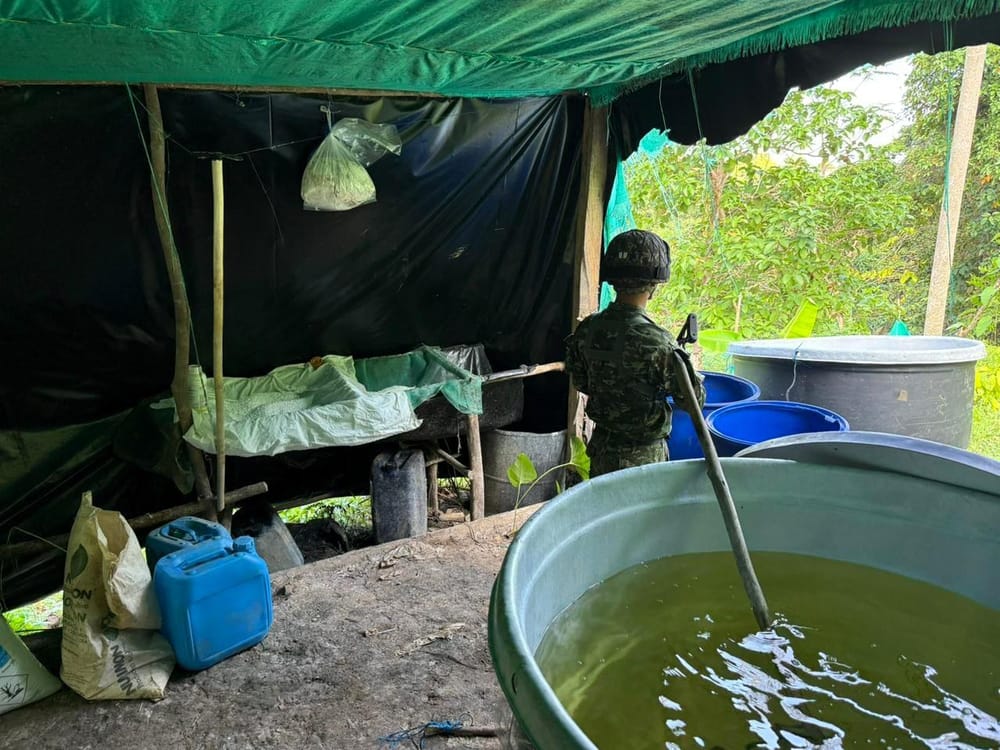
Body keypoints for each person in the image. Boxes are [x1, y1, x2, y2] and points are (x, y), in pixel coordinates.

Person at [565, 229, 705, 477]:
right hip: (644, 460)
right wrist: (690, 367)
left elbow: (582, 381)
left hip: (601, 449)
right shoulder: (658, 342)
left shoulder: (587, 329)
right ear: (654, 284)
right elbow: (693, 401)